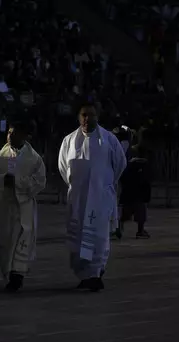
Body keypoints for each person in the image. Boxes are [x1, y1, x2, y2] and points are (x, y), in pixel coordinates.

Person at [58, 102, 127, 292]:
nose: (87, 119)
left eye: (91, 115)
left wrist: (104, 184)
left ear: (98, 116)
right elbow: (63, 167)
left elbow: (120, 164)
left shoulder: (109, 140)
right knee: (79, 238)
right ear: (79, 117)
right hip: (79, 199)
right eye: (83, 115)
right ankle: (83, 274)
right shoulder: (69, 141)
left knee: (98, 237)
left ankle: (95, 273)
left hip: (100, 197)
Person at [0, 122, 47, 292]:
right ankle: (8, 271)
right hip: (5, 205)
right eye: (9, 133)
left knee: (22, 239)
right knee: (7, 240)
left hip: (24, 206)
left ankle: (17, 274)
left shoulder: (34, 159)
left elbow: (40, 182)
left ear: (25, 136)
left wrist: (19, 182)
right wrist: (1, 181)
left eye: (15, 133)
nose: (11, 136)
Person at [119, 143, 152, 239]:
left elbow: (123, 178)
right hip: (140, 195)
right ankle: (140, 231)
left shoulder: (129, 165)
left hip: (128, 193)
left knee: (126, 213)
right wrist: (147, 195)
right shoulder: (145, 165)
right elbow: (147, 181)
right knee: (140, 214)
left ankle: (119, 229)